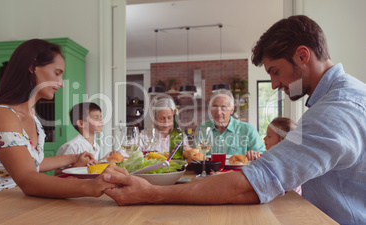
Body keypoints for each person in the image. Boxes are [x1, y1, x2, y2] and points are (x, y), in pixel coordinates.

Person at [101, 15, 366, 225]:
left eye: (275, 71)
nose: (274, 84)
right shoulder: (342, 97)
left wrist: (151, 193)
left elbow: (254, 183)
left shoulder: (336, 110)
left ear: (302, 55)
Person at [0, 39, 115, 200]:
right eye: (57, 73)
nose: (61, 83)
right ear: (32, 66)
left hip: (11, 201)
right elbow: (27, 179)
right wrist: (92, 186)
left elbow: (32, 162)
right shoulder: (2, 115)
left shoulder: (31, 115)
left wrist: (74, 158)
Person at [198, 90, 265, 156]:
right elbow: (196, 156)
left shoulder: (248, 130)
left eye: (223, 107)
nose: (218, 112)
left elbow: (262, 155)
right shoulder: (202, 128)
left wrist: (254, 154)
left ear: (232, 110)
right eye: (215, 107)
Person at [248, 117, 301, 195]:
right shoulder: (273, 158)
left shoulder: (286, 165)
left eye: (269, 136)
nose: (264, 138)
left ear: (282, 141)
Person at [54, 102, 103, 175]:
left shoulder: (96, 146)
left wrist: (105, 159)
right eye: (96, 118)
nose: (101, 121)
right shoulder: (72, 146)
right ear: (81, 123)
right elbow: (57, 174)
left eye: (100, 117)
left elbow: (89, 167)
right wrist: (77, 166)